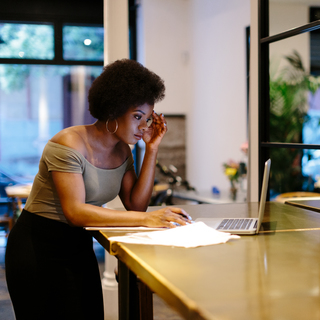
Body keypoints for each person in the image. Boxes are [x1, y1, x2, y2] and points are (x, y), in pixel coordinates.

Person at [5, 59, 191, 320]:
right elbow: (75, 212)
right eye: (137, 116)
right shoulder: (69, 143)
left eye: (147, 119)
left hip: (79, 246)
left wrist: (152, 149)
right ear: (114, 109)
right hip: (37, 247)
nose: (143, 126)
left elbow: (136, 205)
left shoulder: (123, 150)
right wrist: (147, 219)